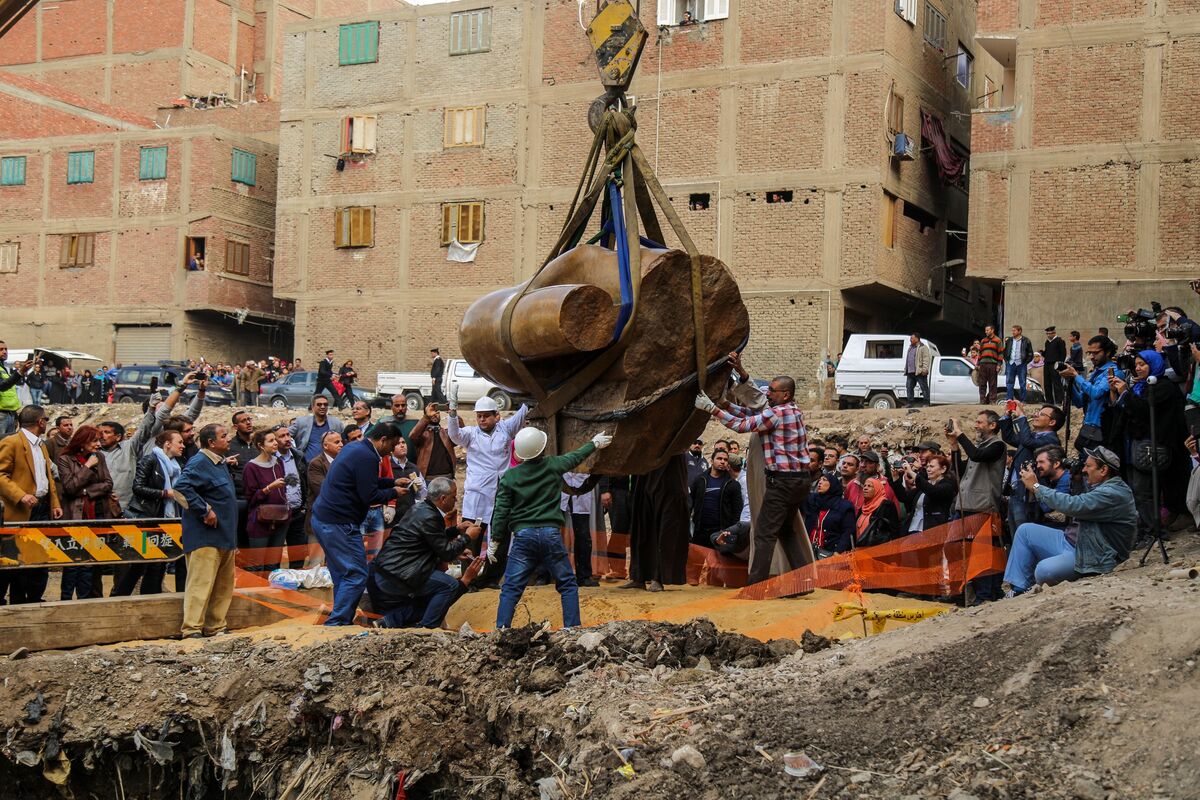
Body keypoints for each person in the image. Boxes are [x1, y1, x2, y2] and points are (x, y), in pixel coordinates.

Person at [696, 374, 814, 586]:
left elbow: (742, 425)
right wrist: (725, 405)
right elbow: (749, 414)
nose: (767, 393)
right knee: (786, 530)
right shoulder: (793, 410)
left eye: (772, 390)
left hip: (783, 482)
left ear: (785, 394)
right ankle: (803, 581)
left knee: (763, 533)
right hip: (800, 482)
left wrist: (712, 410)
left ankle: (756, 585)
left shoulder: (777, 413)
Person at [492, 428, 613, 629]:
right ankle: (572, 629)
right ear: (541, 448)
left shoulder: (509, 477)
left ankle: (501, 628)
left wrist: (495, 541)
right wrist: (595, 443)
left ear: (519, 453)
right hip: (550, 534)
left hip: (523, 537)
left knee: (511, 588)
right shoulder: (553, 466)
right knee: (567, 584)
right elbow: (575, 457)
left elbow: (501, 511)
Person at [310, 422, 411, 626]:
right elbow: (369, 494)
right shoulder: (368, 457)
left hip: (325, 518)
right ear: (382, 440)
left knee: (342, 573)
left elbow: (365, 481)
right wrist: (394, 493)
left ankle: (340, 618)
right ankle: (337, 622)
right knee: (356, 573)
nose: (391, 451)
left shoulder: (355, 448)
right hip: (339, 523)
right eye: (391, 446)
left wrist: (392, 482)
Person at [1003, 447, 1137, 596]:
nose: (1084, 469)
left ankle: (1033, 584)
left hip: (1092, 554)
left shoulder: (1113, 494)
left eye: (1088, 466)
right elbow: (1083, 502)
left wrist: (1036, 486)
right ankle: (1019, 589)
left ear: (1104, 470)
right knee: (1025, 531)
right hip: (1073, 541)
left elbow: (1073, 505)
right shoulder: (1101, 487)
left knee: (1044, 571)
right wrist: (1078, 480)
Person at [367, 478, 485, 628]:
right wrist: (467, 537)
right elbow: (446, 553)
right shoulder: (430, 516)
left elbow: (430, 538)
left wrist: (456, 530)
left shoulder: (421, 509)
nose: (455, 500)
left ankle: (390, 622)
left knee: (432, 596)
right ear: (443, 498)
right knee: (449, 586)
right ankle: (426, 628)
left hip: (388, 571)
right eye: (454, 497)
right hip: (398, 575)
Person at [1110, 350, 1189, 542]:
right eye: (1136, 365)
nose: (1138, 368)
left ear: (1154, 365)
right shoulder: (1141, 386)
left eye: (1142, 364)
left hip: (1150, 447)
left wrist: (1125, 393)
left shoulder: (1162, 387)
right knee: (1137, 491)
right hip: (1133, 445)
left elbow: (1144, 411)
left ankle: (1154, 532)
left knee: (1145, 492)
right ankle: (1145, 529)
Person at [447, 389, 529, 571]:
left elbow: (523, 412)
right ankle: (470, 576)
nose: (482, 419)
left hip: (502, 492)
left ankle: (492, 577)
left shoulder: (506, 429)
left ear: (497, 416)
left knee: (500, 534)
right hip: (477, 494)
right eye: (479, 416)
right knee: (473, 535)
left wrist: (526, 392)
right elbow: (454, 435)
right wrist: (452, 412)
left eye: (486, 416)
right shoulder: (470, 434)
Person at [173, 424, 239, 638]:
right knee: (200, 584)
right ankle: (192, 628)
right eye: (223, 436)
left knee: (223, 585)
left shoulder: (219, 463)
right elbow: (181, 487)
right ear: (211, 442)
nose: (228, 439)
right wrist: (204, 510)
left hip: (225, 535)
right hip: (205, 537)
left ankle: (216, 626)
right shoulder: (200, 462)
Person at [0, 406, 63, 604]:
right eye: (46, 419)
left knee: (37, 558)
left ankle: (30, 599)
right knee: (11, 559)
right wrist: (21, 496)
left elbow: (47, 478)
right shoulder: (12, 442)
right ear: (41, 422)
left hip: (41, 508)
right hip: (18, 510)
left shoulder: (41, 445)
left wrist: (54, 502)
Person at [115, 429, 187, 596]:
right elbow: (138, 487)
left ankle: (151, 597)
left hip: (165, 519)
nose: (183, 446)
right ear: (167, 444)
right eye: (179, 442)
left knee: (159, 563)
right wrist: (164, 493)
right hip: (147, 517)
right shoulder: (150, 460)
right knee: (141, 563)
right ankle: (120, 595)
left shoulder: (177, 466)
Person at [55, 425, 117, 600]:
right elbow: (69, 487)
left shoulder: (100, 456)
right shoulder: (65, 459)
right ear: (83, 442)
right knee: (73, 561)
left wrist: (86, 492)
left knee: (90, 562)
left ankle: (84, 599)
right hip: (76, 517)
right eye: (95, 440)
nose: (99, 444)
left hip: (97, 515)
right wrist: (88, 467)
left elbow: (108, 484)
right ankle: (65, 599)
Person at [999, 403, 1064, 528]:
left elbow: (1027, 442)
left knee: (1024, 532)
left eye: (1041, 414)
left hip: (1028, 496)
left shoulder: (1051, 440)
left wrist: (1021, 417)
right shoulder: (1033, 436)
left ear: (1052, 422)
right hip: (1016, 491)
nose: (1036, 415)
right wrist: (1007, 416)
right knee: (1015, 533)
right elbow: (1009, 437)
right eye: (1037, 412)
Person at [1059, 335, 1124, 455]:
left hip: (1102, 428)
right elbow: (1079, 402)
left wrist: (1076, 376)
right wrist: (1069, 382)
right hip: (1088, 427)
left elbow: (1096, 393)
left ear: (1108, 352)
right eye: (1090, 353)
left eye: (1096, 353)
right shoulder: (1095, 373)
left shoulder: (1113, 372)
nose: (1092, 357)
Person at [241, 428, 293, 573]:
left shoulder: (278, 463)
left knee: (274, 564)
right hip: (260, 521)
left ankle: (272, 594)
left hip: (280, 518)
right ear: (260, 445)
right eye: (271, 441)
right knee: (257, 564)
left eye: (275, 440)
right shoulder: (251, 467)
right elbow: (250, 497)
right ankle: (256, 594)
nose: (275, 443)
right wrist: (269, 488)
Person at [272, 426, 309, 569]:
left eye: (288, 435)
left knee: (298, 553)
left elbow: (305, 482)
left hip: (297, 513)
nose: (287, 439)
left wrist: (304, 507)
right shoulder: (270, 458)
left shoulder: (298, 456)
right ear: (274, 441)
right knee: (275, 554)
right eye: (282, 436)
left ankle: (296, 585)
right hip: (277, 514)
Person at [689, 450, 743, 549]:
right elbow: (690, 503)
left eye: (725, 460)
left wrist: (731, 531)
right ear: (711, 460)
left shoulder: (733, 484)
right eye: (719, 458)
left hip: (721, 532)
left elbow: (737, 511)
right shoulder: (699, 480)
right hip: (699, 531)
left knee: (719, 563)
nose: (722, 462)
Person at [304, 430, 343, 566]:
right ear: (325, 446)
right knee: (316, 563)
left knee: (336, 562)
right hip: (320, 520)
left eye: (341, 441)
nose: (341, 444)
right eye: (337, 442)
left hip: (339, 521)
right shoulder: (316, 464)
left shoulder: (344, 461)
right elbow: (323, 490)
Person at [898, 453, 957, 533]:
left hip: (932, 531)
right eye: (927, 466)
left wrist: (911, 472)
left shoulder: (947, 485)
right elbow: (904, 497)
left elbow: (932, 491)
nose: (928, 469)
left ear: (943, 469)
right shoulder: (924, 483)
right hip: (913, 528)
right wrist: (895, 478)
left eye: (932, 467)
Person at [561, 472, 600, 587]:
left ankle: (584, 576)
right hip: (560, 482)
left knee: (583, 534)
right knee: (550, 531)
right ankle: (544, 574)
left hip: (583, 484)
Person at [803, 474, 856, 556]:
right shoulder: (812, 501)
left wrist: (838, 551)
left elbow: (848, 531)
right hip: (808, 551)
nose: (820, 482)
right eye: (820, 480)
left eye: (824, 480)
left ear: (833, 484)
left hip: (831, 552)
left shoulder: (844, 506)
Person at [409, 403, 457, 484]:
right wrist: (426, 418)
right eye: (432, 412)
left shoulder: (446, 433)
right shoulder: (422, 434)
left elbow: (460, 435)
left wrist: (453, 415)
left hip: (447, 478)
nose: (434, 415)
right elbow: (413, 436)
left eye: (437, 412)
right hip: (428, 480)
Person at [291, 395, 346, 462]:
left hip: (331, 465)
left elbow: (345, 441)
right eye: (319, 405)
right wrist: (295, 452)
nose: (322, 407)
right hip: (308, 465)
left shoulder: (336, 423)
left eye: (325, 404)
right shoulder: (301, 422)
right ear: (313, 407)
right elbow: (284, 435)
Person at [855, 476, 900, 547]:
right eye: (865, 486)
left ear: (877, 489)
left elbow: (894, 530)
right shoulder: (863, 507)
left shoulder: (887, 505)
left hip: (879, 550)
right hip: (861, 550)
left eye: (869, 486)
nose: (865, 488)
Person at [0, 343, 31, 436]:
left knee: (9, 446)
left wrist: (15, 415)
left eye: (6, 349)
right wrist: (21, 372)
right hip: (1, 415)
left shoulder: (4, 368)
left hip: (9, 414)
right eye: (1, 349)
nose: (5, 351)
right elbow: (2, 386)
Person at [1004, 324, 1034, 401]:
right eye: (1012, 330)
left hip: (1021, 364)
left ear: (1019, 331)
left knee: (1023, 383)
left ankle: (1022, 401)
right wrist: (1007, 360)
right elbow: (1005, 351)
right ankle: (1009, 399)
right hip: (1011, 363)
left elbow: (1030, 353)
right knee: (1009, 383)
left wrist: (1025, 362)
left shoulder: (1026, 340)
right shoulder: (1009, 340)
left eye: (1014, 330)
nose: (1012, 332)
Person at [976, 324, 1004, 404]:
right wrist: (978, 364)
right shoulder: (983, 340)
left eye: (987, 330)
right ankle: (982, 400)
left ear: (992, 330)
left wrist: (999, 364)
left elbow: (1001, 353)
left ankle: (992, 401)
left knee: (992, 384)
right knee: (982, 383)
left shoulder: (998, 340)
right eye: (985, 330)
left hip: (993, 364)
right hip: (983, 364)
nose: (986, 332)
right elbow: (980, 353)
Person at [904, 333, 932, 406]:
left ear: (917, 339)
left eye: (912, 338)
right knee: (909, 387)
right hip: (910, 372)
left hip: (919, 372)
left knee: (924, 387)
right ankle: (910, 402)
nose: (910, 340)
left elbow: (926, 359)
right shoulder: (910, 347)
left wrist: (924, 369)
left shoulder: (923, 347)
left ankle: (926, 403)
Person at [1042, 326, 1067, 405]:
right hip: (1047, 364)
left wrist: (1060, 365)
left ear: (1054, 333)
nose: (1049, 335)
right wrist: (1042, 353)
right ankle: (1049, 401)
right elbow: (1047, 354)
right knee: (1047, 383)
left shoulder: (1059, 341)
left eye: (1050, 333)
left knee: (1056, 383)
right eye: (1047, 334)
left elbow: (1063, 354)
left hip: (1055, 364)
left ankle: (1059, 400)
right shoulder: (1047, 342)